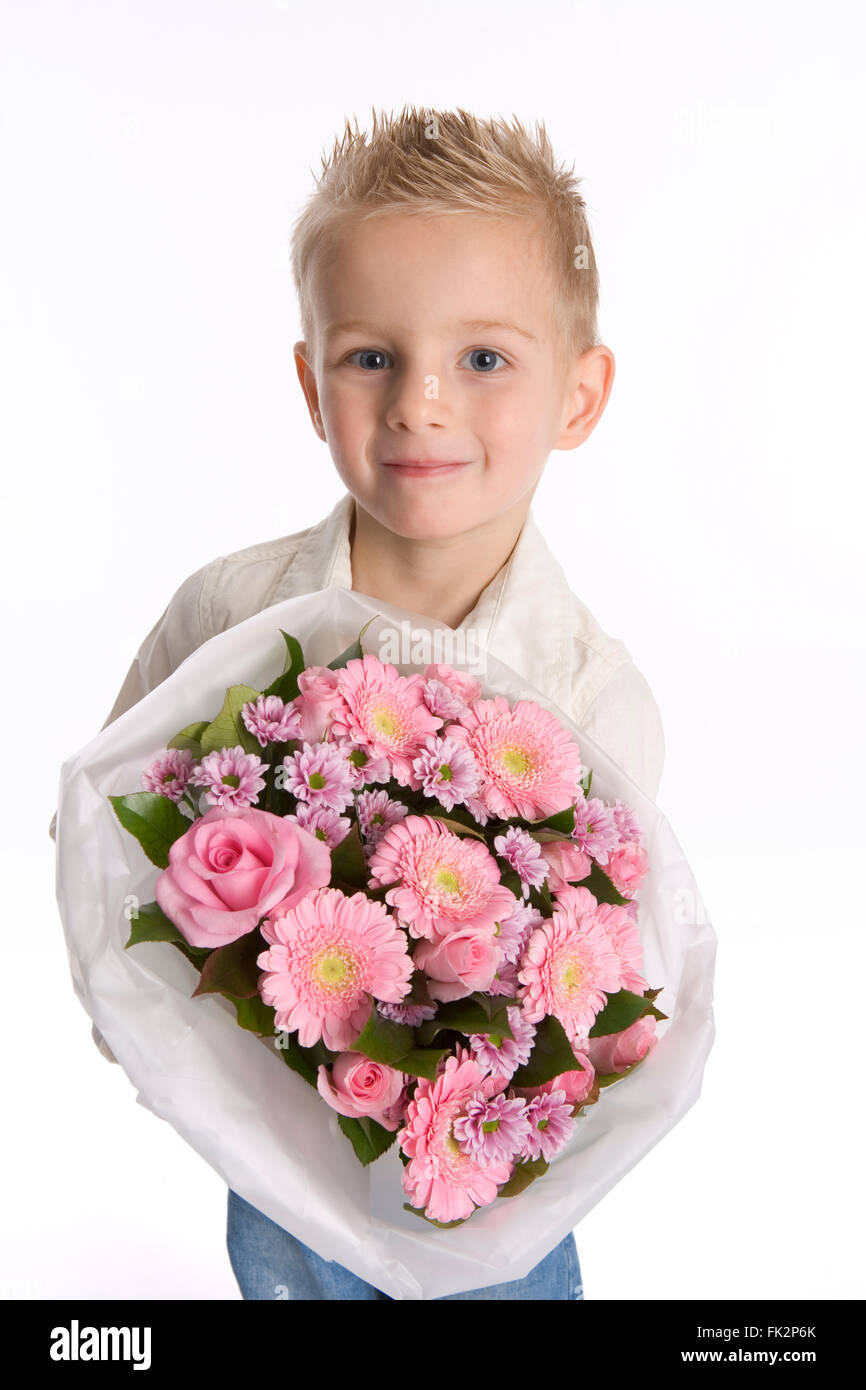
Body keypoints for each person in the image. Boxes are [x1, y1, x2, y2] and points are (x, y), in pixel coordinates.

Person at [53, 107, 665, 1299]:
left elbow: (591, 975)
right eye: (369, 355)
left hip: (486, 1177)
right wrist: (174, 1047)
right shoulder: (228, 614)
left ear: (579, 396)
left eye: (482, 359)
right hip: (282, 1141)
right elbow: (107, 835)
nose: (418, 402)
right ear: (309, 379)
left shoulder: (592, 690)